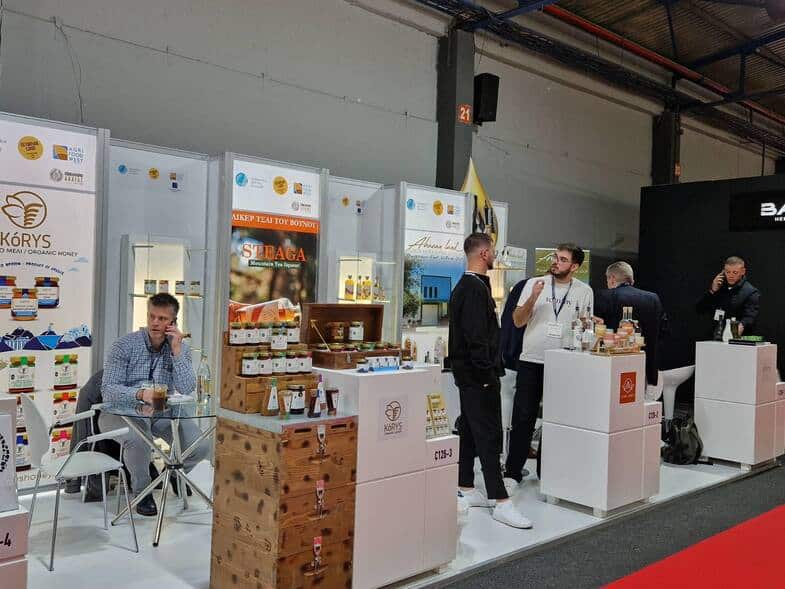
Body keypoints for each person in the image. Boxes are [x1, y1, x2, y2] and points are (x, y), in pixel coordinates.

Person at [98, 293, 209, 517]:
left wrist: (177, 351)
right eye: (152, 316)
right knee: (138, 440)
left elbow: (187, 387)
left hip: (161, 413)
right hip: (119, 412)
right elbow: (108, 390)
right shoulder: (124, 345)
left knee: (200, 446)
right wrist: (140, 394)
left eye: (162, 319)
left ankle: (174, 474)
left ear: (173, 322)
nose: (155, 323)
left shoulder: (180, 349)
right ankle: (143, 491)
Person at [448, 233, 532, 529]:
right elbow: (476, 338)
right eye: (493, 251)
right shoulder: (473, 289)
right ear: (484, 253)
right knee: (489, 435)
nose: (495, 256)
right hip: (478, 376)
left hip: (471, 375)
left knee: (470, 429)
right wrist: (486, 374)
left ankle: (466, 485)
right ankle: (501, 500)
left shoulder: (470, 286)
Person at [506, 244, 593, 483]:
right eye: (555, 257)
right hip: (531, 360)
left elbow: (584, 327)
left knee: (555, 419)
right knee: (523, 417)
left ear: (575, 266)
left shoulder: (584, 291)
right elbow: (517, 321)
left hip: (563, 363)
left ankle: (548, 474)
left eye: (563, 259)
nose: (556, 262)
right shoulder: (535, 284)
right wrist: (533, 297)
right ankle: (512, 473)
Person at [594, 261, 666, 388]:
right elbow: (663, 329)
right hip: (644, 365)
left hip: (611, 365)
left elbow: (597, 329)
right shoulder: (653, 298)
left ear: (612, 278)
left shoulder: (604, 296)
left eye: (607, 279)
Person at [696, 256, 760, 336]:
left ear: (743, 271)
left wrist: (742, 325)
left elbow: (750, 317)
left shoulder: (751, 292)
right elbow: (699, 309)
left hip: (737, 337)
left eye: (735, 272)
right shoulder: (718, 286)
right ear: (723, 271)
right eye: (728, 272)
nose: (731, 276)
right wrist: (712, 291)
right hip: (715, 336)